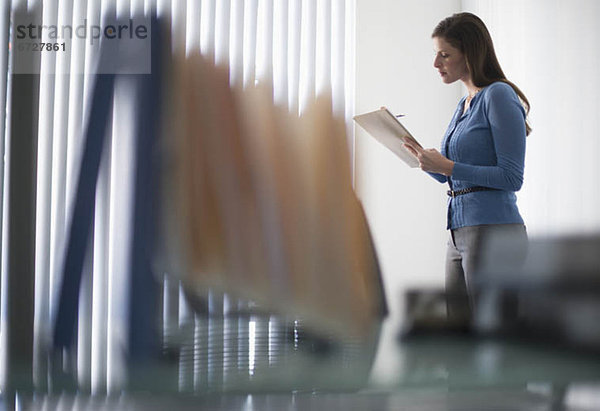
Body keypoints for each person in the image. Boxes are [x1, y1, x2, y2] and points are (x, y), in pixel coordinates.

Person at [403, 12, 530, 324]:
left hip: (494, 232)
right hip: (458, 233)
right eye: (436, 54)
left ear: (470, 54)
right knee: (460, 337)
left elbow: (512, 177)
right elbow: (454, 174)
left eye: (445, 54)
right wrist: (421, 157)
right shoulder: (464, 104)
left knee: (495, 339)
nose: (436, 64)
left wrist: (447, 165)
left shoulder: (497, 95)